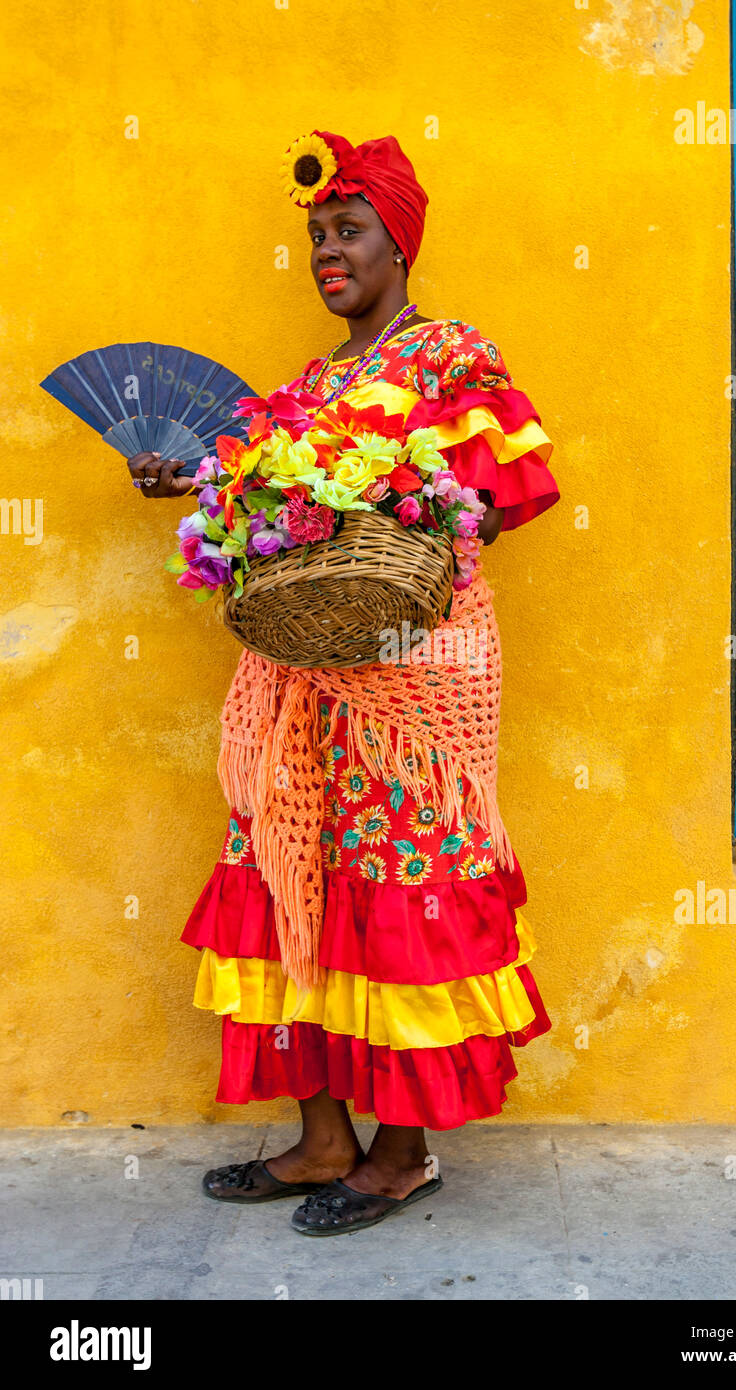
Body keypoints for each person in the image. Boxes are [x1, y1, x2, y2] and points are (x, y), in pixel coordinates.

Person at [127, 129, 559, 1237]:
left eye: (347, 230)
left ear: (397, 243)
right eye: (315, 235)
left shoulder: (451, 358)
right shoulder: (307, 386)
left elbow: (489, 504)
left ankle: (401, 1156)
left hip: (417, 678)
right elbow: (270, 518)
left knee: (395, 885)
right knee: (282, 873)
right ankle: (324, 1137)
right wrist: (203, 481)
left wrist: (393, 504)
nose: (327, 250)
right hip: (299, 679)